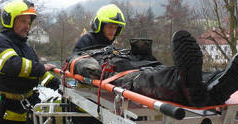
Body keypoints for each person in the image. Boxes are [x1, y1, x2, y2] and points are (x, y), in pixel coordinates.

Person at [70, 4, 238, 107]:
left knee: (167, 70)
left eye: (115, 28)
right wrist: (89, 68)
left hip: (136, 64)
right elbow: (75, 60)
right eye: (109, 27)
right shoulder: (87, 41)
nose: (112, 31)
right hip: (123, 74)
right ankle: (195, 90)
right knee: (157, 78)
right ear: (99, 24)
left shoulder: (111, 46)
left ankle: (217, 80)